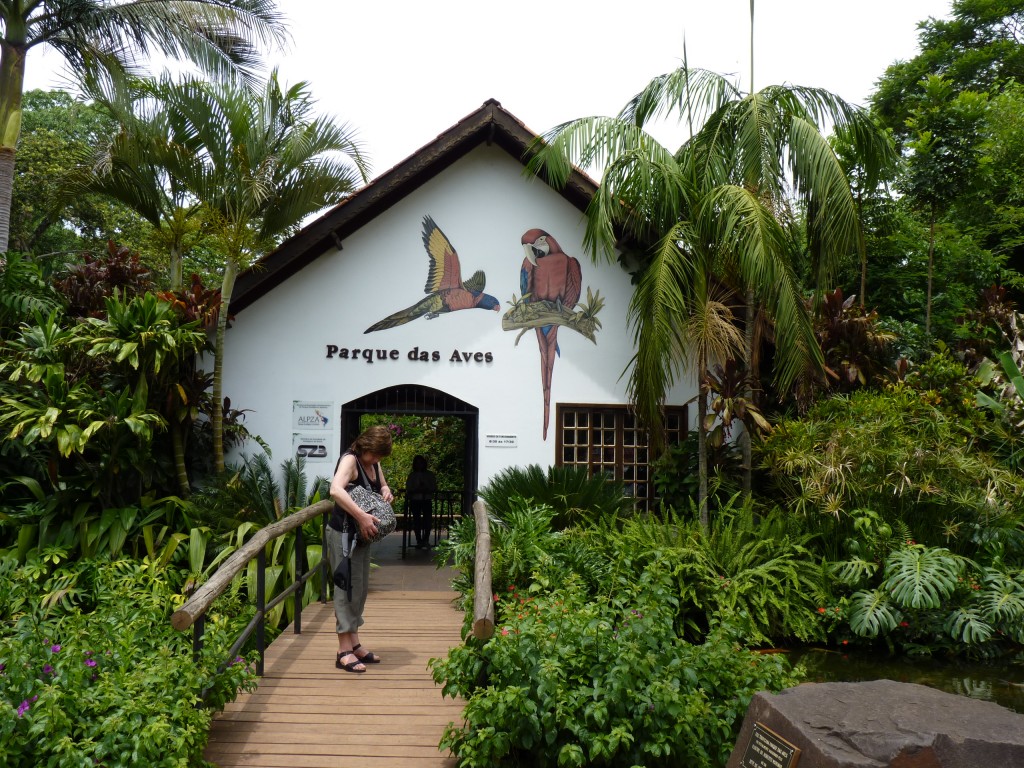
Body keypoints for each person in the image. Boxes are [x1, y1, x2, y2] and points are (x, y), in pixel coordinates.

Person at [327, 425, 394, 673]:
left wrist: (386, 491)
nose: (377, 460)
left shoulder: (373, 463)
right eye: (374, 455)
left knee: (360, 588)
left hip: (362, 537)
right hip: (344, 534)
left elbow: (382, 486)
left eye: (380, 457)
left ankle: (354, 644)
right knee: (346, 588)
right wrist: (362, 516)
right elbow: (335, 490)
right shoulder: (350, 460)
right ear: (365, 446)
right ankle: (343, 650)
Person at [405, 455, 437, 550]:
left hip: (426, 499)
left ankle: (426, 540)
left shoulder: (429, 475)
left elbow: (434, 487)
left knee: (427, 521)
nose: (419, 465)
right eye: (417, 463)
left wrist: (426, 487)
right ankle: (419, 540)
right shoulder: (412, 475)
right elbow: (408, 488)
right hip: (415, 500)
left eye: (421, 463)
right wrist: (416, 489)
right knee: (416, 521)